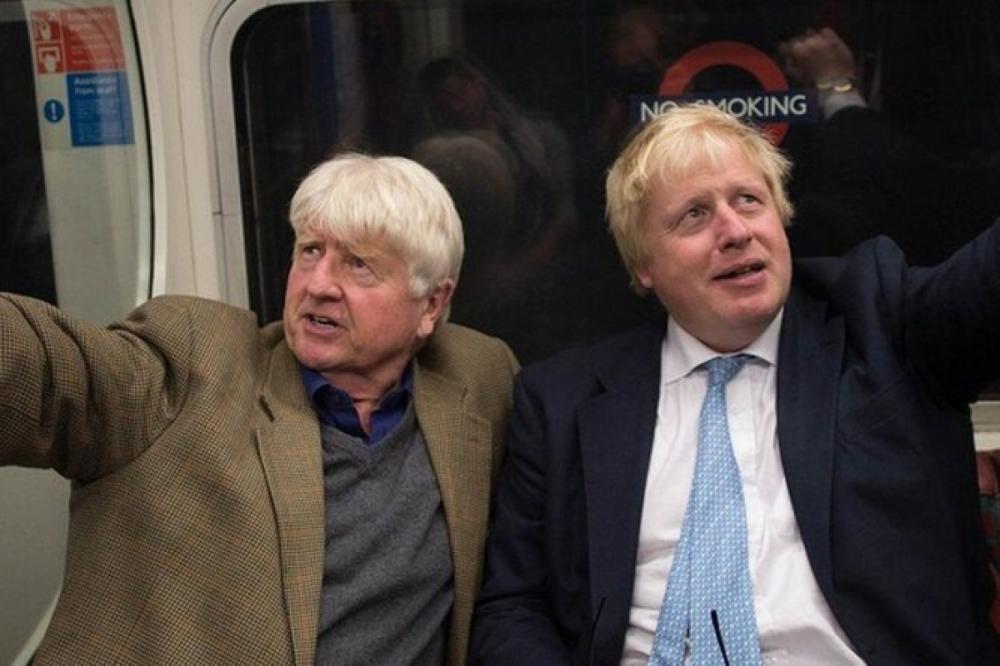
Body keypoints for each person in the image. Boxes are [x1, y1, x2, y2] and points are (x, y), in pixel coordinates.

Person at [471, 105, 1000, 664]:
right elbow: (513, 607)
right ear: (643, 264)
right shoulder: (561, 403)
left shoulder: (883, 322)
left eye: (749, 200)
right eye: (694, 215)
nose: (735, 231)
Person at [0, 154, 519, 664]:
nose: (318, 284)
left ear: (431, 304)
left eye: (358, 264)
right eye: (310, 251)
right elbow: (51, 370)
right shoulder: (196, 363)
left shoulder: (481, 379)